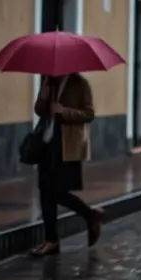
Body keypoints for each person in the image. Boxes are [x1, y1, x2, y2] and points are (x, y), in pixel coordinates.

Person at [31, 73, 103, 257]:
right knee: (44, 190)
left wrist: (63, 111)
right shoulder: (48, 81)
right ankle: (52, 240)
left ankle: (89, 215)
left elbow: (89, 114)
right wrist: (45, 93)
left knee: (58, 192)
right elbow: (39, 110)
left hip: (67, 145)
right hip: (47, 144)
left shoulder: (80, 83)